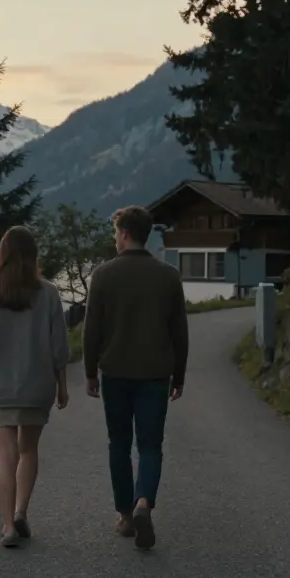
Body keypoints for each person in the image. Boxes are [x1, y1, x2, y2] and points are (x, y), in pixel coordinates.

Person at [83, 205, 188, 550]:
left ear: (125, 233)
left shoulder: (103, 275)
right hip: (155, 374)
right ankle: (144, 502)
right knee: (150, 445)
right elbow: (180, 332)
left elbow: (92, 331)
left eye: (116, 233)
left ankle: (126, 517)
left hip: (115, 373)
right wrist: (179, 376)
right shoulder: (168, 276)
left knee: (119, 444)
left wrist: (89, 373)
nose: (115, 239)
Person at [0, 225, 71, 548]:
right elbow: (59, 346)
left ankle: (8, 526)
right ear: (33, 256)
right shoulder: (49, 293)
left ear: (3, 254)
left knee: (5, 456)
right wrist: (62, 386)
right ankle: (22, 510)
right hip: (37, 385)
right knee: (28, 450)